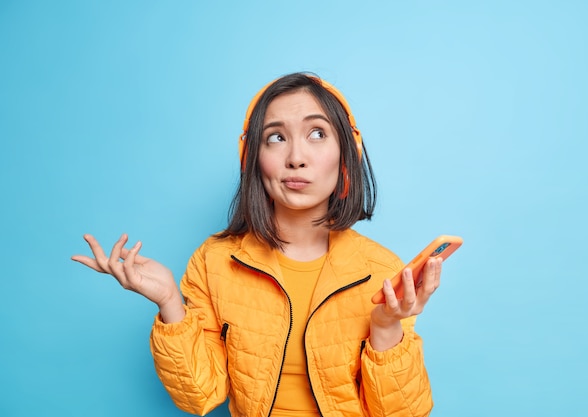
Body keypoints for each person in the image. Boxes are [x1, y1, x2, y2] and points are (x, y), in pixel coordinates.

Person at [72, 72, 442, 417]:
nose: (296, 158)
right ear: (252, 158)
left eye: (317, 134)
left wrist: (386, 327)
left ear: (347, 154)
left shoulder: (380, 269)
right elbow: (198, 395)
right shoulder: (214, 261)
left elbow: (402, 413)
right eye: (276, 137)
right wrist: (170, 302)